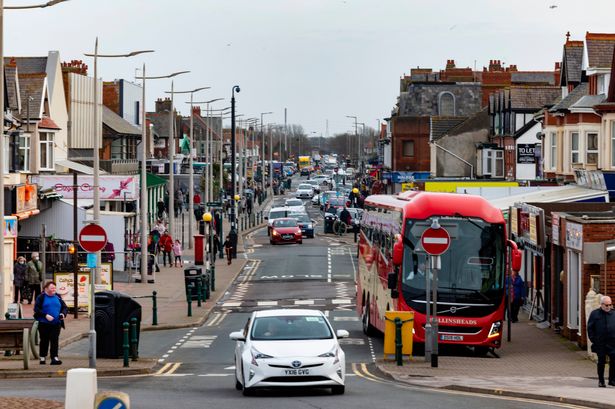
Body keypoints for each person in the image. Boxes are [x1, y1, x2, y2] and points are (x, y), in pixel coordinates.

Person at [33, 281, 68, 365]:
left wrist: (62, 314)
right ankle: (42, 357)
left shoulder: (58, 297)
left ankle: (54, 358)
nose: (54, 289)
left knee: (54, 340)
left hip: (56, 323)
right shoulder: (41, 297)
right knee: (44, 340)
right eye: (52, 288)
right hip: (44, 323)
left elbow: (64, 307)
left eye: (55, 288)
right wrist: (45, 315)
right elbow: (36, 309)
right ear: (46, 289)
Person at [587, 295, 615, 387]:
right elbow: (590, 328)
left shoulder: (614, 313)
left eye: (610, 305)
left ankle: (612, 380)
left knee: (613, 362)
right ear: (601, 304)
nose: (608, 307)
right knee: (601, 362)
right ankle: (601, 381)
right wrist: (594, 340)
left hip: (612, 343)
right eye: (606, 305)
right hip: (600, 343)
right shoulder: (595, 314)